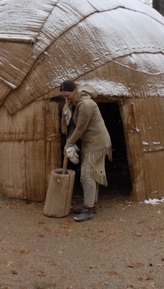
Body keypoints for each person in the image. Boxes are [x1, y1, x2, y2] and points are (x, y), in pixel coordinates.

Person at [60, 80, 112, 222]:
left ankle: (88, 209)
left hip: (97, 142)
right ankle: (92, 205)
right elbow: (72, 126)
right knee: (92, 172)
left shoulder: (86, 105)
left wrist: (69, 144)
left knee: (87, 174)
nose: (66, 98)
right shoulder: (75, 103)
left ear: (75, 91)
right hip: (90, 142)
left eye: (67, 95)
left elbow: (81, 127)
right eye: (63, 96)